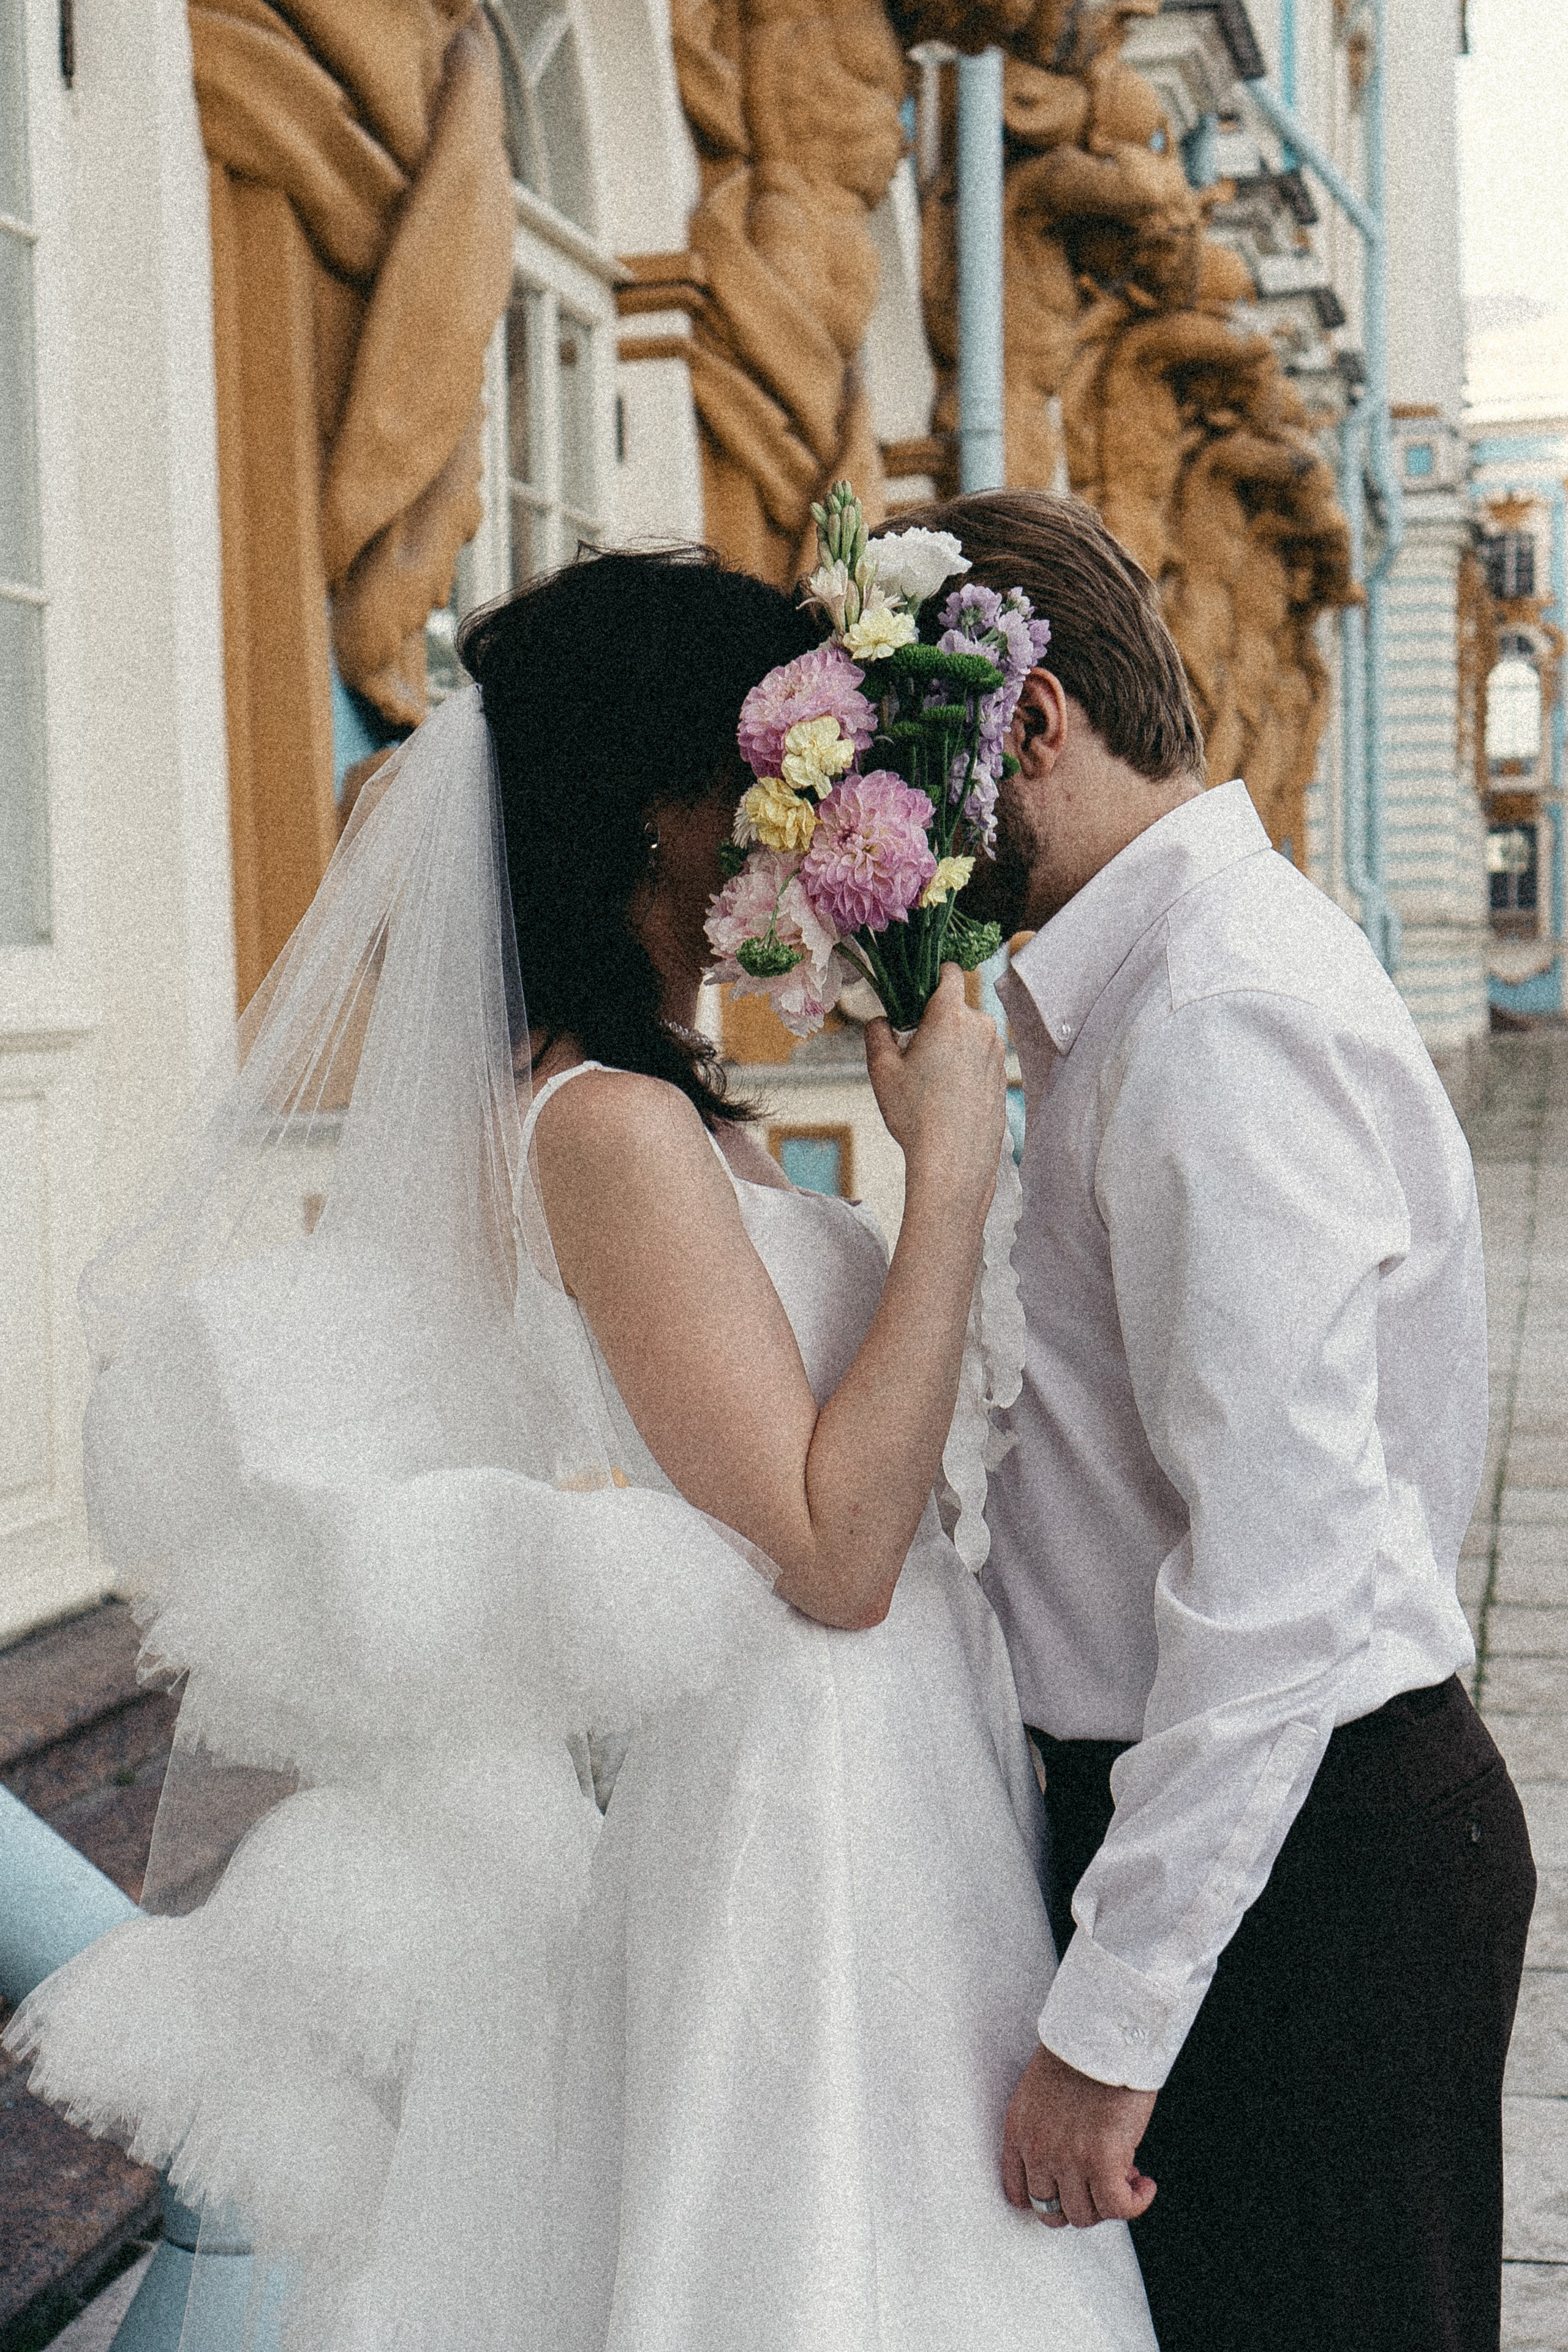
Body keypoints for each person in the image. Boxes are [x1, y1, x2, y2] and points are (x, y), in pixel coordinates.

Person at [7, 548, 1155, 2352]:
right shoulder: (603, 1127)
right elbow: (833, 1557)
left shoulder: (668, 1101)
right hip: (805, 1785)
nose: (799, 819)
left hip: (889, 1777)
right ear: (655, 814)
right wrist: (953, 1175)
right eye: (764, 775)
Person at [894, 486, 1537, 2352]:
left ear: (1030, 726)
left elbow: (1287, 1574)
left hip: (1305, 1875)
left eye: (915, 791)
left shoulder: (1213, 1014)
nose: (907, 855)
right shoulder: (1149, 991)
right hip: (1262, 1844)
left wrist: (1111, 2029)